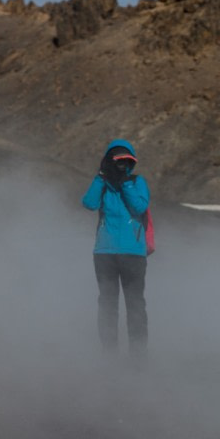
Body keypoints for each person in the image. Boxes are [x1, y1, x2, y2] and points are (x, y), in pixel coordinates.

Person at [82, 139, 151, 359]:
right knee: (108, 304)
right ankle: (109, 354)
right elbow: (89, 203)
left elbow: (140, 206)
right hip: (105, 254)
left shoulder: (137, 182)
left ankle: (138, 356)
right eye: (117, 162)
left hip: (133, 254)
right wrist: (101, 177)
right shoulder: (103, 184)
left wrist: (125, 183)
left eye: (126, 162)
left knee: (135, 305)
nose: (122, 166)